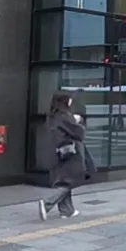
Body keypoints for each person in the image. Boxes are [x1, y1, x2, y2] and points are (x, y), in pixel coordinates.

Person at [39, 92, 89, 220]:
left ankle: (67, 211)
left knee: (64, 180)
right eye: (69, 99)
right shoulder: (64, 116)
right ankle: (47, 203)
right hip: (68, 153)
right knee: (70, 180)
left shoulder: (52, 116)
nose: (71, 101)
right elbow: (79, 133)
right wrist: (77, 121)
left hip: (56, 153)